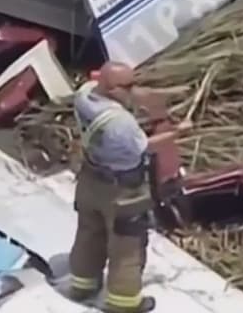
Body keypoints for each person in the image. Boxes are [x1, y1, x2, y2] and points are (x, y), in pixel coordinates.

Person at [66, 61, 189, 313]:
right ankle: (124, 303)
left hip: (90, 181)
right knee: (127, 247)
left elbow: (124, 97)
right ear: (113, 90)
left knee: (89, 233)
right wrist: (178, 131)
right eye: (129, 86)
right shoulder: (120, 124)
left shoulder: (84, 95)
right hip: (122, 192)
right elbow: (147, 146)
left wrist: (158, 95)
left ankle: (82, 285)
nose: (134, 90)